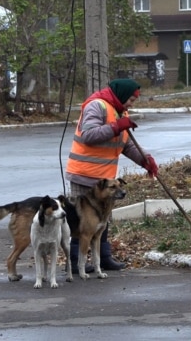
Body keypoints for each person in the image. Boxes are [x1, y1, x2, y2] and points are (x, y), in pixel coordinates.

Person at [66, 78, 158, 273]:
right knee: (79, 219)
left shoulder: (120, 111)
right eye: (131, 100)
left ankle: (104, 258)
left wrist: (145, 160)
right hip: (84, 175)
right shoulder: (96, 106)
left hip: (105, 179)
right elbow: (88, 135)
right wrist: (117, 126)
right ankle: (74, 261)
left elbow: (125, 144)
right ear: (122, 95)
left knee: (103, 219)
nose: (131, 104)